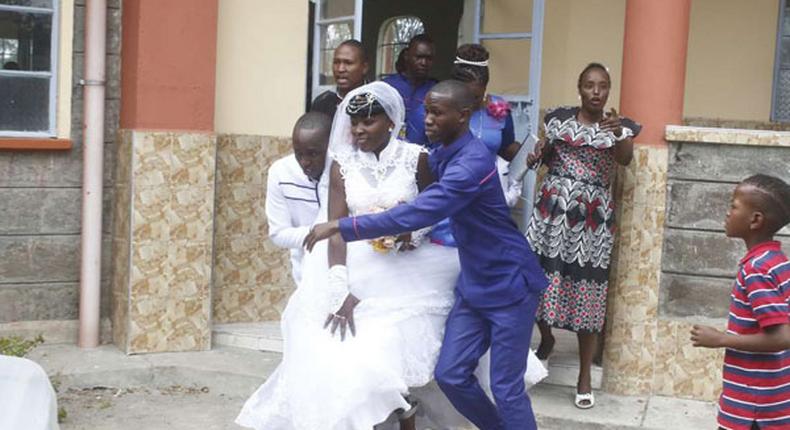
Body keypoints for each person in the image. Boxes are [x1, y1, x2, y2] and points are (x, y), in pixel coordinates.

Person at [305, 80, 549, 430]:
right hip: (473, 283)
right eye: (427, 111)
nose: (428, 119)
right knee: (450, 375)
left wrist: (340, 227)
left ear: (463, 116)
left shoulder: (471, 165)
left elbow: (418, 214)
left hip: (510, 284)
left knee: (506, 388)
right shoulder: (443, 153)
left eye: (437, 113)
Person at [237, 82, 464, 430]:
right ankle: (384, 415)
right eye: (354, 123)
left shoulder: (417, 157)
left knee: (391, 347)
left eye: (368, 122)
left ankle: (404, 411)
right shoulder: (341, 165)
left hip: (407, 267)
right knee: (339, 351)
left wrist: (408, 233)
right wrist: (339, 286)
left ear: (390, 121)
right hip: (356, 265)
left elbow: (434, 213)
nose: (358, 130)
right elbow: (337, 229)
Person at [525, 62, 641, 409]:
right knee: (537, 282)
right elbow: (545, 157)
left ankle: (584, 376)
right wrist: (535, 157)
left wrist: (620, 132)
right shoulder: (558, 119)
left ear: (608, 90)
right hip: (551, 214)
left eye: (602, 86)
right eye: (589, 85)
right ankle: (545, 341)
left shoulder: (621, 127)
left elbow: (624, 161)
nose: (595, 91)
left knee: (587, 294)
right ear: (580, 88)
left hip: (592, 221)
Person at [690, 174, 790, 430]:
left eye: (733, 206)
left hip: (752, 408)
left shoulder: (757, 269)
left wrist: (720, 339)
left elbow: (782, 337)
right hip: (771, 400)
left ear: (755, 220)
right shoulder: (777, 261)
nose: (727, 213)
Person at [265, 112, 331, 283]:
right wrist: (324, 232)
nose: (304, 162)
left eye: (313, 154)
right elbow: (278, 234)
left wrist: (335, 231)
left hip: (348, 272)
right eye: (298, 154)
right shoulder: (280, 172)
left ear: (331, 146)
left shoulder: (345, 169)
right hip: (305, 275)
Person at [383, 34, 436, 147]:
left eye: (428, 59)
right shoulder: (387, 86)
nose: (424, 63)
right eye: (419, 57)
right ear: (407, 56)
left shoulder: (437, 91)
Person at [311, 40, 369, 118]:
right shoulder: (322, 103)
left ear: (364, 68)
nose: (340, 69)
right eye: (336, 62)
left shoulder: (375, 101)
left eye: (348, 63)